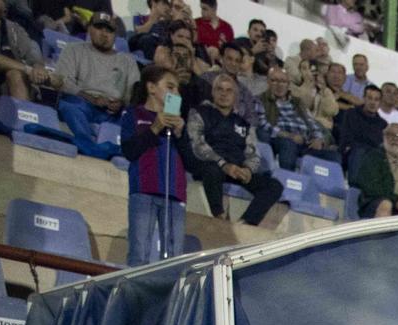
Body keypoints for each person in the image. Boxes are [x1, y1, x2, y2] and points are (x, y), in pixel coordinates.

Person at [186, 72, 283, 225]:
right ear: (213, 92)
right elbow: (197, 145)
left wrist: (248, 170)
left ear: (236, 96)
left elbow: (252, 153)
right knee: (212, 170)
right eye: (219, 89)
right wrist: (223, 164)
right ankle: (219, 216)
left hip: (236, 170)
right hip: (211, 166)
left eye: (229, 90)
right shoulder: (199, 113)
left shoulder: (243, 123)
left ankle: (245, 223)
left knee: (274, 186)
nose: (224, 94)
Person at [121, 68, 189, 264]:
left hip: (175, 193)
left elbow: (191, 161)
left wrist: (180, 134)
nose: (175, 93)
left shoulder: (178, 123)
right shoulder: (134, 114)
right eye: (170, 87)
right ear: (151, 87)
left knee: (173, 257)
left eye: (177, 89)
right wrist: (155, 128)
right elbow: (130, 151)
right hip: (144, 189)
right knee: (139, 252)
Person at [52, 14, 136, 158]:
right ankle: (88, 145)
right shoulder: (73, 50)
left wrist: (121, 103)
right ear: (89, 29)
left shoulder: (127, 60)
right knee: (69, 106)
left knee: (134, 117)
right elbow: (62, 82)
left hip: (113, 113)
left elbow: (134, 93)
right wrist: (91, 98)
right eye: (99, 28)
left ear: (115, 35)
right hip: (81, 104)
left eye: (109, 30)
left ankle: (122, 150)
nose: (104, 34)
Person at [350, 120, 398, 217]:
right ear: (384, 137)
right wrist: (397, 202)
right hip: (378, 204)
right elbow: (372, 187)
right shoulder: (372, 157)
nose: (395, 139)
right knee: (386, 205)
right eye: (390, 134)